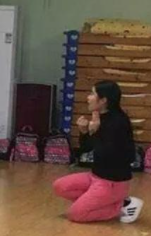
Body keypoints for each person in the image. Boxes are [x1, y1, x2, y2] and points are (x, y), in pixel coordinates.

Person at [53, 80, 143, 223]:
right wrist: (84, 132)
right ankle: (99, 202)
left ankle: (124, 205)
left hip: (112, 182)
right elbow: (86, 149)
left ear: (103, 100)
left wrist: (96, 132)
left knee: (76, 214)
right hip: (95, 176)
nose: (88, 98)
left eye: (92, 94)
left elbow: (114, 154)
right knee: (60, 186)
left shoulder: (119, 122)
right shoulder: (100, 118)